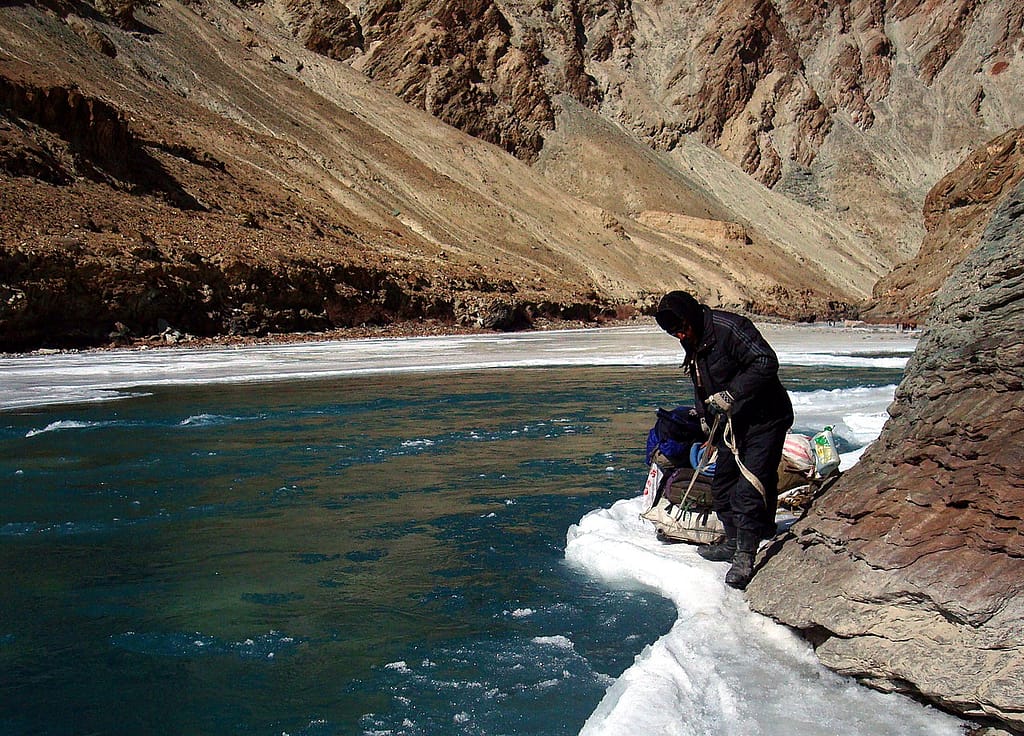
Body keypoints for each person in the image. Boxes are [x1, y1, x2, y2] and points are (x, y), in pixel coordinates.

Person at [654, 291, 793, 589]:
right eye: (673, 333)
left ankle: (745, 554)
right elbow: (701, 382)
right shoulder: (691, 338)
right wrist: (708, 425)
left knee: (750, 485)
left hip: (765, 418)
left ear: (690, 316)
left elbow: (766, 362)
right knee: (722, 483)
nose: (679, 335)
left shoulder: (730, 328)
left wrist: (733, 394)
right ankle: (734, 540)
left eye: (680, 328)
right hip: (734, 423)